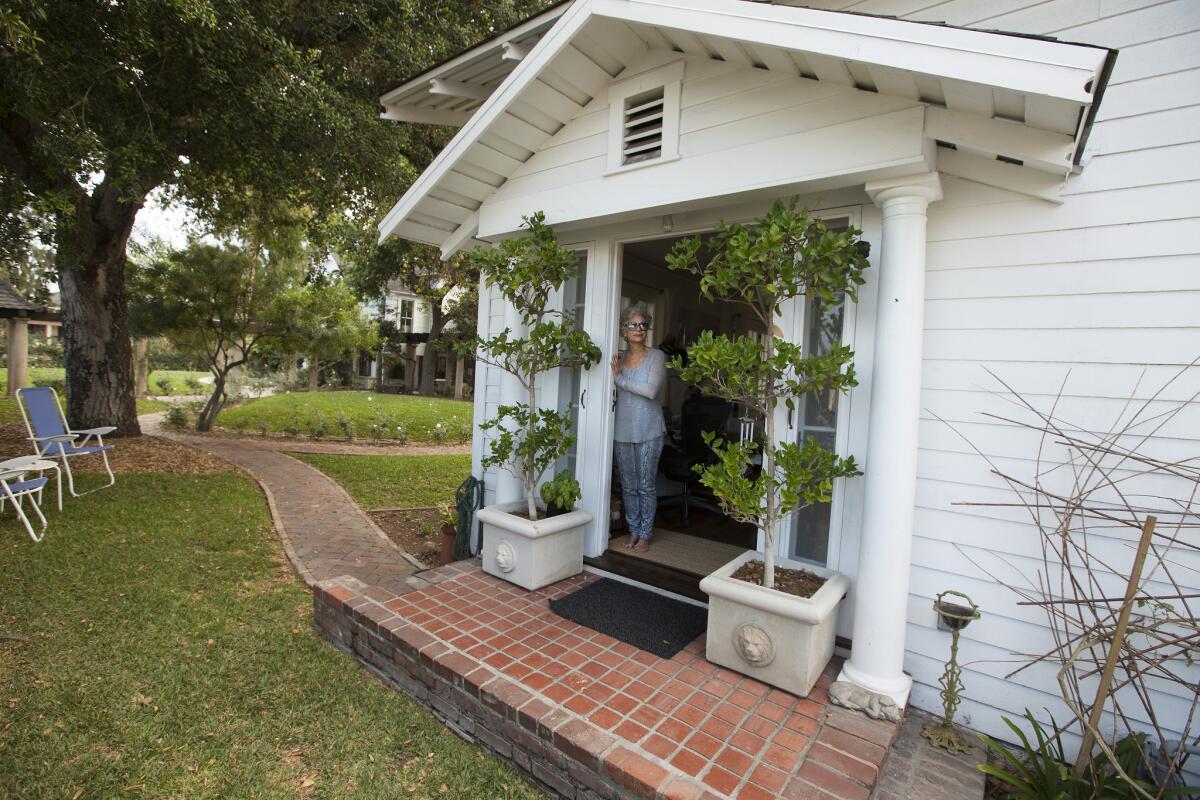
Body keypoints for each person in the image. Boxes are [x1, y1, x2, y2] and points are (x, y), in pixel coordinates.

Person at [612, 303, 668, 552]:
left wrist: (620, 379)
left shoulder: (657, 356)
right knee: (628, 484)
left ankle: (646, 533)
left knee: (645, 484)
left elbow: (650, 390)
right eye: (632, 324)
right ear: (624, 329)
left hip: (649, 430)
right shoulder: (618, 359)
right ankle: (633, 530)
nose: (638, 328)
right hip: (622, 430)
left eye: (642, 324)